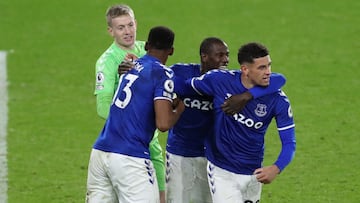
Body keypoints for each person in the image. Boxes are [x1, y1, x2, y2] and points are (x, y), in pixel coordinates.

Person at [119, 38, 287, 203]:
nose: (226, 60)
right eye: (220, 55)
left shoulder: (225, 82)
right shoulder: (183, 73)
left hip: (211, 156)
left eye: (227, 55)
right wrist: (136, 67)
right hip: (180, 153)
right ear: (204, 57)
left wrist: (247, 96)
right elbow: (157, 75)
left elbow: (279, 79)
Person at [177, 42, 296, 202]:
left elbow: (289, 143)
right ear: (245, 69)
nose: (268, 72)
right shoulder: (219, 81)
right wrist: (158, 75)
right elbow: (185, 86)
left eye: (269, 66)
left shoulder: (278, 100)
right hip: (221, 169)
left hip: (253, 172)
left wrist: (276, 168)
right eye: (261, 68)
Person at [86, 26, 184, 203]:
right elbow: (163, 124)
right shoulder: (163, 74)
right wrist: (181, 107)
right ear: (171, 51)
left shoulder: (129, 66)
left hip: (100, 152)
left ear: (146, 45)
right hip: (129, 157)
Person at [93, 4, 166, 202]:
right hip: (125, 142)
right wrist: (130, 125)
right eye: (121, 27)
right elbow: (102, 106)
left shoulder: (147, 50)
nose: (127, 32)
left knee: (161, 191)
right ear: (111, 31)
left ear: (136, 24)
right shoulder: (107, 61)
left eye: (130, 25)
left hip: (149, 138)